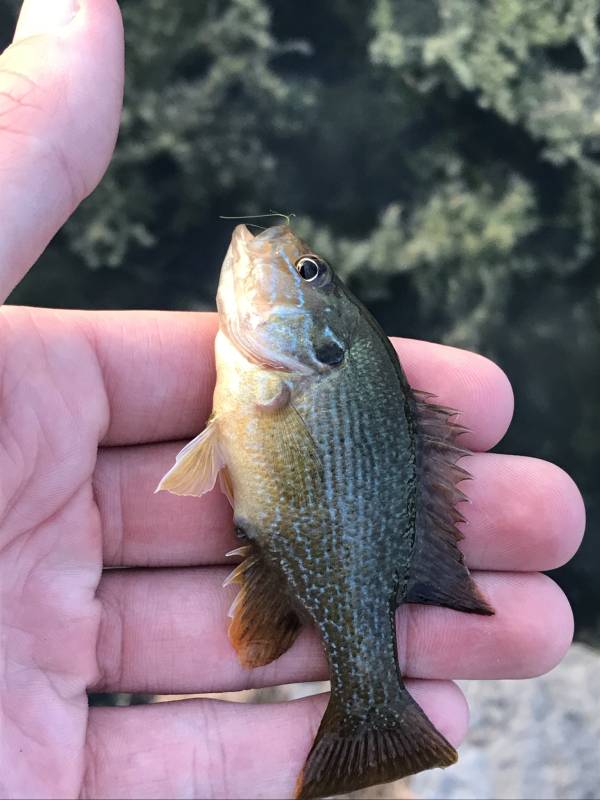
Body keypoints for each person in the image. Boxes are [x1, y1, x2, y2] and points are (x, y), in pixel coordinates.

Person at [0, 1, 586, 797]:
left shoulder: (295, 377)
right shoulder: (286, 375)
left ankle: (369, 705)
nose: (282, 252)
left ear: (324, 346)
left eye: (308, 275)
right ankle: (371, 707)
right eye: (309, 272)